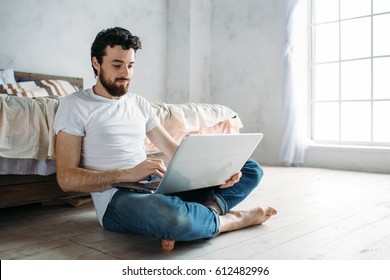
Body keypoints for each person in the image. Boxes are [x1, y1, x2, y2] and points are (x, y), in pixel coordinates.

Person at [53, 27, 276, 252]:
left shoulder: (138, 103)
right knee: (172, 216)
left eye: (130, 66)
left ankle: (205, 214)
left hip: (158, 186)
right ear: (96, 63)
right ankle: (231, 220)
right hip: (118, 199)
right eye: (117, 65)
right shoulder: (75, 105)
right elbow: (66, 178)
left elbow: (173, 150)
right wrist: (126, 174)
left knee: (249, 169)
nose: (126, 73)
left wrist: (216, 173)